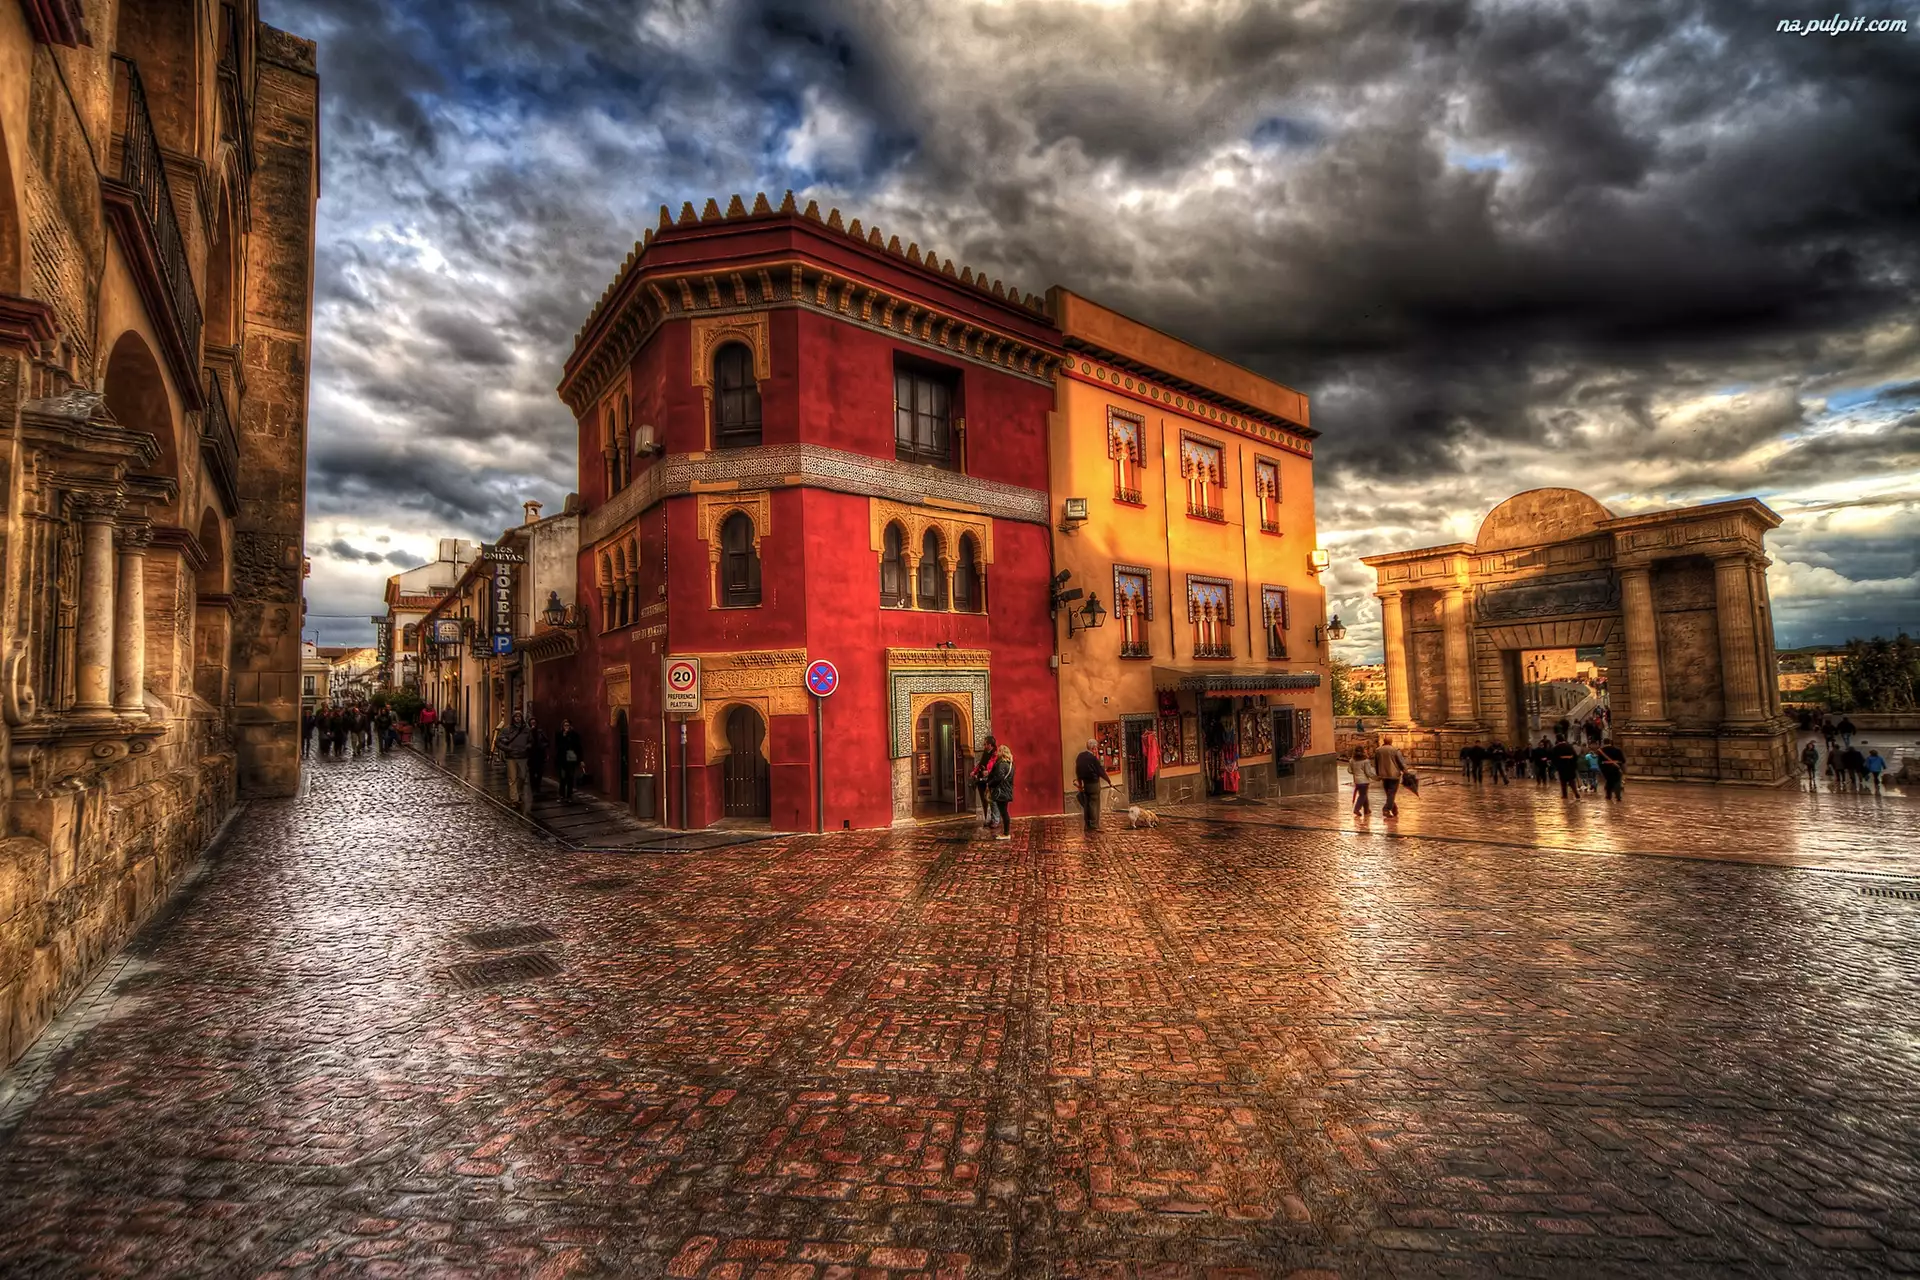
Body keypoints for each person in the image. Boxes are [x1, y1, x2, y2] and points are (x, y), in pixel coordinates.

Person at [497, 712, 533, 811]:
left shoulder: (526, 730)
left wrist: (527, 747)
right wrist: (507, 749)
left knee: (522, 777)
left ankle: (518, 793)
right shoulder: (507, 730)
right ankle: (514, 799)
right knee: (512, 778)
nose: (517, 718)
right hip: (511, 757)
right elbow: (498, 742)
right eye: (516, 717)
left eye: (519, 716)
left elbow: (531, 741)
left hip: (523, 757)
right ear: (513, 718)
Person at [1074, 738, 1110, 832]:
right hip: (1094, 784)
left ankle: (1087, 825)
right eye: (1096, 748)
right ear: (1093, 748)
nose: (1096, 750)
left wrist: (1080, 783)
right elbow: (1100, 771)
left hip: (1085, 784)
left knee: (1087, 804)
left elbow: (1078, 771)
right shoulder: (1093, 759)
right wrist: (1109, 781)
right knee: (1094, 804)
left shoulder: (1080, 756)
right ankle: (1094, 825)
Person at [1370, 739, 1409, 819]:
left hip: (1383, 775)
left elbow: (1376, 763)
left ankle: (1394, 810)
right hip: (1394, 775)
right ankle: (1386, 809)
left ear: (1384, 741)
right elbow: (1401, 762)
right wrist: (1405, 771)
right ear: (1391, 742)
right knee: (1391, 793)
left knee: (1389, 794)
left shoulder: (1378, 750)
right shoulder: (1395, 750)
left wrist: (1378, 773)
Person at [986, 742, 1015, 840]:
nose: (997, 753)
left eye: (999, 751)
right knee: (1004, 812)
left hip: (1001, 791)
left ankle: (1006, 834)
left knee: (1004, 812)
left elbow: (998, 778)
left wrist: (989, 784)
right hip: (1006, 790)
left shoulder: (1001, 764)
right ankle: (1006, 833)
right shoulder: (1010, 764)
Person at [971, 738, 998, 826]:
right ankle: (987, 818)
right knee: (984, 800)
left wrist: (988, 772)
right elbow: (980, 764)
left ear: (990, 745)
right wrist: (974, 772)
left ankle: (993, 819)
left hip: (989, 780)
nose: (984, 746)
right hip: (981, 779)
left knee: (990, 800)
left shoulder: (995, 755)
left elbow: (994, 767)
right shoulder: (985, 753)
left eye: (985, 744)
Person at [555, 718, 584, 800]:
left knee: (570, 777)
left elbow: (578, 747)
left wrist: (581, 760)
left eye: (568, 725)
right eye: (565, 725)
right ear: (562, 726)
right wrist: (564, 736)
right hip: (562, 759)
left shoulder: (574, 735)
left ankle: (569, 794)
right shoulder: (559, 734)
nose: (566, 727)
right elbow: (558, 746)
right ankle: (561, 794)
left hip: (571, 758)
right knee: (562, 777)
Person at [1347, 747, 1374, 817]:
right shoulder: (1366, 761)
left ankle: (1367, 810)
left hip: (1357, 781)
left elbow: (1349, 770)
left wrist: (1356, 773)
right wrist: (1376, 778)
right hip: (1364, 781)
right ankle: (1357, 809)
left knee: (1364, 794)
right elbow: (1368, 772)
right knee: (1362, 795)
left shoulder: (1351, 760)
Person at [1551, 735, 1580, 800]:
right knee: (1572, 781)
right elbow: (1575, 756)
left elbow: (1554, 758)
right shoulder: (1569, 746)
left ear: (1557, 740)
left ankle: (1565, 795)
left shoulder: (1556, 748)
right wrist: (1573, 765)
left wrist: (1557, 766)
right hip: (1570, 766)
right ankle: (1576, 793)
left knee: (1563, 781)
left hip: (1562, 767)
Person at [526, 718, 547, 799]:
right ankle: (533, 788)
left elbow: (547, 741)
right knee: (531, 773)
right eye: (531, 723)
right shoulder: (527, 732)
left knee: (539, 773)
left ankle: (537, 788)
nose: (533, 724)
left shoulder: (540, 732)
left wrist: (542, 746)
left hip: (539, 755)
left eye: (534, 723)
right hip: (531, 755)